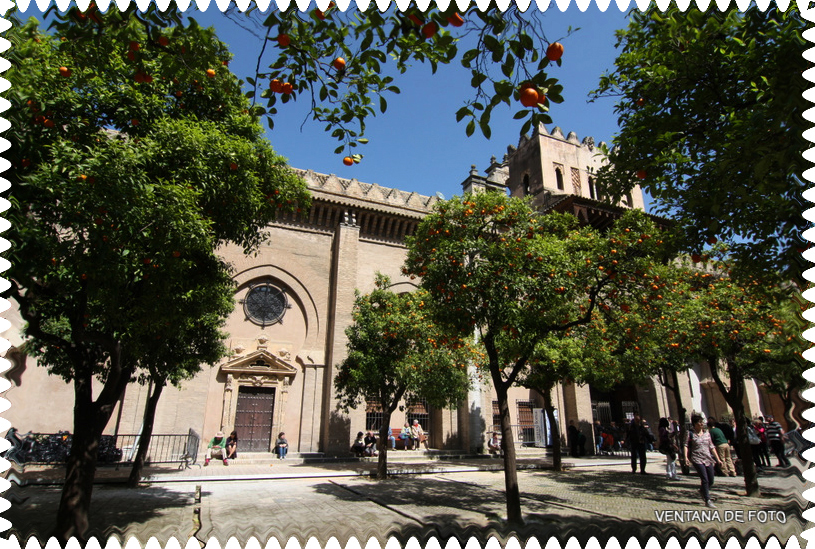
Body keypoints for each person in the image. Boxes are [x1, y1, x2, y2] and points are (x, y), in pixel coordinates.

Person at [685, 414, 722, 509]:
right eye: (699, 422)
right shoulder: (690, 434)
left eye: (702, 422)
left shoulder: (707, 433)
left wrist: (718, 459)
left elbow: (712, 447)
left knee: (711, 479)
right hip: (697, 458)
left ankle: (702, 491)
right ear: (695, 424)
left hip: (708, 458)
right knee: (705, 479)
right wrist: (686, 458)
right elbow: (686, 446)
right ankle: (707, 499)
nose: (702, 424)